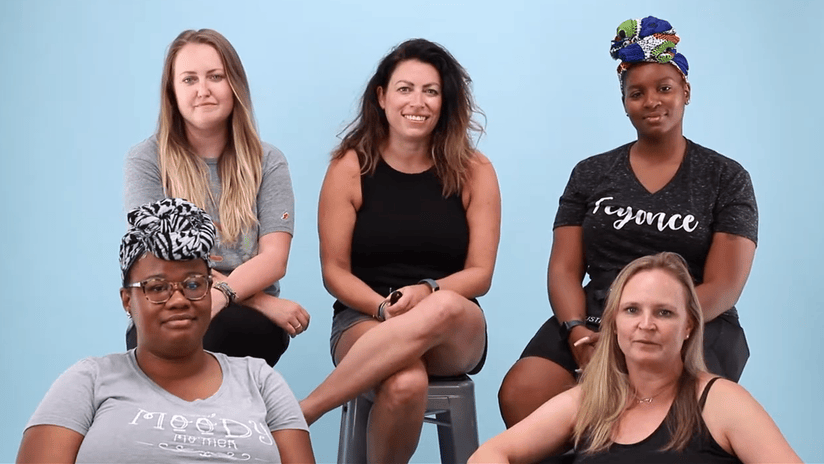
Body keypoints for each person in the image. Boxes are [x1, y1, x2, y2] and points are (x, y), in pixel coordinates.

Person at [498, 16, 758, 428]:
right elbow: (565, 269)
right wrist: (577, 333)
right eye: (637, 93)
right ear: (624, 102)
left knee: (654, 410)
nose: (652, 100)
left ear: (686, 92)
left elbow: (725, 286)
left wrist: (644, 331)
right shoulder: (590, 173)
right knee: (523, 390)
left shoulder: (726, 177)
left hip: (693, 322)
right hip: (597, 318)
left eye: (664, 88)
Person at [299, 38, 500, 463]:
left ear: (444, 102)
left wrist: (427, 291)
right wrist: (381, 309)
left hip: (454, 328)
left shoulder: (475, 170)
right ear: (382, 97)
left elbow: (480, 273)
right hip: (365, 318)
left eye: (431, 91)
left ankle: (304, 412)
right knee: (405, 381)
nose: (418, 102)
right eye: (405, 88)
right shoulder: (350, 167)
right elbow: (334, 272)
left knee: (442, 306)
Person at [16, 198, 315, 464]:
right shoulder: (89, 380)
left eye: (194, 284)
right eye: (157, 288)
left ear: (212, 292)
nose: (179, 300)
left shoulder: (260, 382)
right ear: (127, 301)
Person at [471, 252, 799, 464]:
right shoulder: (591, 399)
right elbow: (491, 454)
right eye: (632, 310)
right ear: (614, 325)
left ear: (688, 327)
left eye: (664, 312)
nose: (646, 325)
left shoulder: (720, 401)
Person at [123, 29, 307, 366]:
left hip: (248, 329)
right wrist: (260, 302)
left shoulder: (268, 161)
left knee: (220, 334)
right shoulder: (146, 160)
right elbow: (161, 260)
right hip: (168, 306)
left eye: (215, 77)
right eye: (189, 79)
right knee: (179, 333)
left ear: (234, 85)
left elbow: (274, 259)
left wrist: (224, 298)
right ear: (172, 93)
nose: (203, 90)